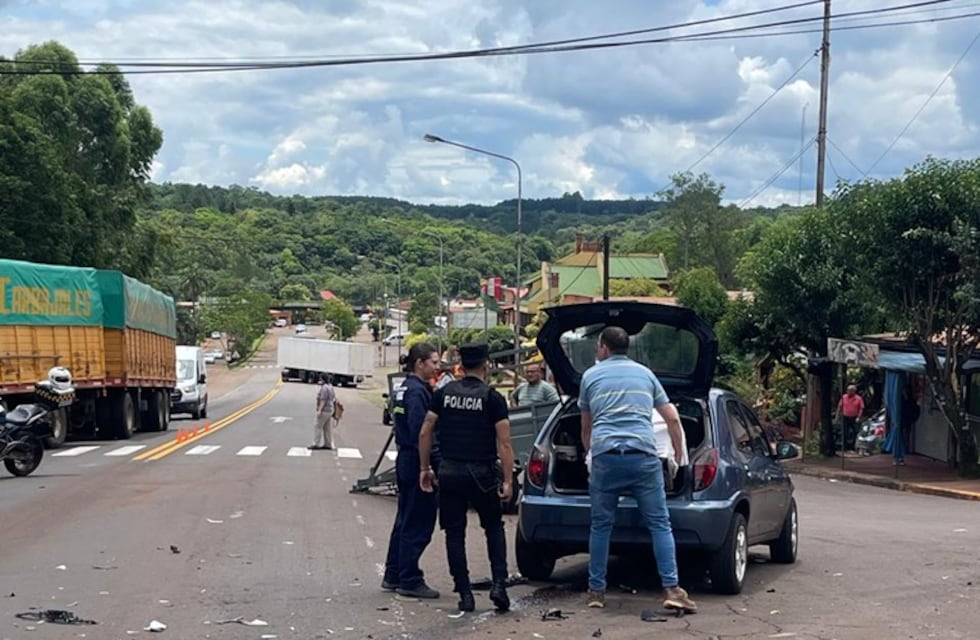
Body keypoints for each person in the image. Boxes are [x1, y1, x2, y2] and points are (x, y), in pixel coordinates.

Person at [578, 326, 696, 613]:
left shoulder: (590, 376)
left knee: (601, 526)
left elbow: (586, 426)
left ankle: (596, 591)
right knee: (659, 524)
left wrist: (591, 453)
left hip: (606, 457)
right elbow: (672, 417)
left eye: (597, 345)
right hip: (643, 457)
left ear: (604, 347)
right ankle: (672, 589)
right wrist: (679, 452)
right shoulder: (646, 374)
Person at [419, 343, 514, 613]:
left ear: (460, 366)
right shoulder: (493, 398)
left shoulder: (443, 393)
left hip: (450, 472)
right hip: (482, 473)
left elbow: (426, 431)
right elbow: (504, 443)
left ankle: (464, 593)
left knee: (454, 533)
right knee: (493, 528)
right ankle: (499, 585)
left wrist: (425, 468)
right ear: (486, 365)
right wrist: (508, 480)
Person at [382, 343, 442, 599]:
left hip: (406, 458)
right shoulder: (417, 392)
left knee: (405, 519)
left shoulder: (404, 388)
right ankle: (409, 578)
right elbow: (422, 433)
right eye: (434, 362)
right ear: (419, 363)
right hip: (416, 458)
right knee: (418, 521)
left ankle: (394, 573)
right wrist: (428, 467)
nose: (437, 367)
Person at [308, 374, 335, 451]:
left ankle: (316, 443)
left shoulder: (324, 388)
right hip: (330, 409)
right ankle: (328, 443)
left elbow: (323, 400)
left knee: (318, 426)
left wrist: (320, 410)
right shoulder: (330, 387)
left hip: (325, 410)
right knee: (327, 427)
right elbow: (333, 398)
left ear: (323, 379)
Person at [835, 384, 865, 452]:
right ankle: (844, 447)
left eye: (850, 390)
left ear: (854, 391)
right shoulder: (843, 397)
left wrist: (859, 417)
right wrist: (837, 416)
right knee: (844, 432)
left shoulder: (858, 398)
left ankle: (853, 447)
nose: (848, 391)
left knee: (855, 432)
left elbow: (861, 408)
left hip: (854, 417)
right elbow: (839, 407)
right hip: (845, 417)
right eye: (848, 390)